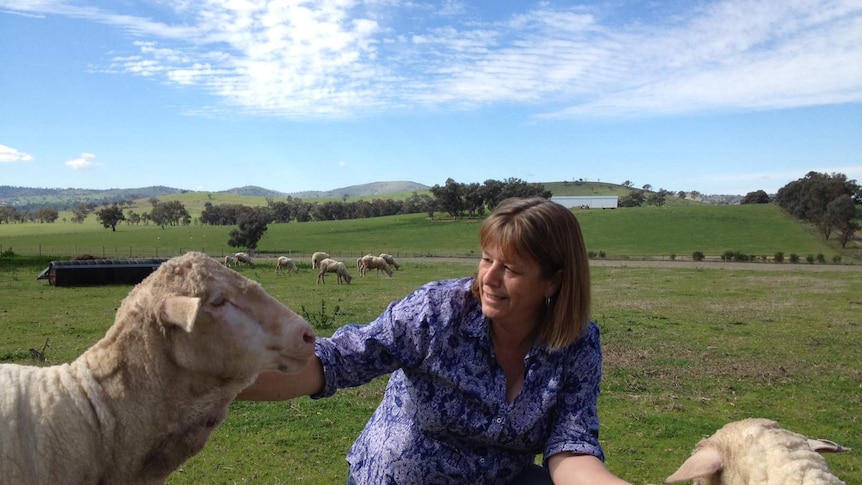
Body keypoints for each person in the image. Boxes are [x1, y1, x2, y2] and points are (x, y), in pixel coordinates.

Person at [238, 197, 632, 485]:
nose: (488, 278)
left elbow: (571, 445)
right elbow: (336, 360)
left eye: (510, 268)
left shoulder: (577, 343)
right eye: (485, 259)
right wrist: (212, 381)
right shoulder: (437, 311)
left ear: (554, 280)